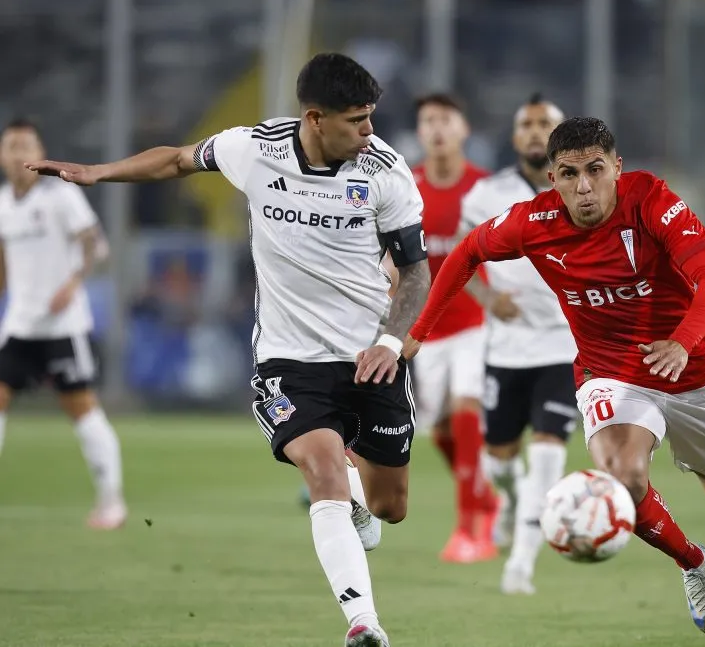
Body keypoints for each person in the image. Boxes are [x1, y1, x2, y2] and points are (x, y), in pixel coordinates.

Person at [26, 53, 431, 647]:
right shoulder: (254, 149)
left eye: (371, 117)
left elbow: (417, 274)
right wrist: (97, 173)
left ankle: (358, 492)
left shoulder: (387, 174)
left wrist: (391, 342)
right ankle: (363, 622)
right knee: (321, 470)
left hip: (372, 356)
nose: (370, 131)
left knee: (390, 507)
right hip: (288, 361)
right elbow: (177, 160)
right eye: (357, 120)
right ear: (315, 118)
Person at [406, 116, 705, 646]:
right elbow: (467, 251)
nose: (584, 186)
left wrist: (681, 342)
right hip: (608, 371)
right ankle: (692, 562)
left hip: (691, 370)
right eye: (569, 174)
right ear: (552, 178)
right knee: (623, 478)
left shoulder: (652, 201)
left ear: (617, 167)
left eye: (595, 170)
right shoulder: (533, 221)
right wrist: (417, 333)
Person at [457, 94, 579, 594]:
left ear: (560, 134)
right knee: (500, 461)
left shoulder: (581, 189)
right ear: (514, 138)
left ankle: (522, 563)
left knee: (549, 452)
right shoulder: (485, 195)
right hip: (505, 349)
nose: (534, 131)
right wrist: (488, 297)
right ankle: (506, 499)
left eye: (544, 123)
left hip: (563, 347)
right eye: (526, 124)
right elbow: (461, 261)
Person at [0, 118, 125, 530]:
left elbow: (94, 243)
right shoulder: (3, 202)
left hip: (62, 326)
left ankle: (111, 501)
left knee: (81, 409)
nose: (18, 154)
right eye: (11, 146)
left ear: (38, 153)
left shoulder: (60, 198)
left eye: (26, 146)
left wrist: (73, 282)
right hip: (19, 323)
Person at [409, 93, 497, 562]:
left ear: (464, 129)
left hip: (475, 325)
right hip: (427, 331)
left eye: (446, 119)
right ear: (420, 132)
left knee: (467, 409)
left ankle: (471, 530)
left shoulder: (484, 189)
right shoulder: (407, 186)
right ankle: (487, 496)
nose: (437, 128)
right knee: (440, 428)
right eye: (428, 121)